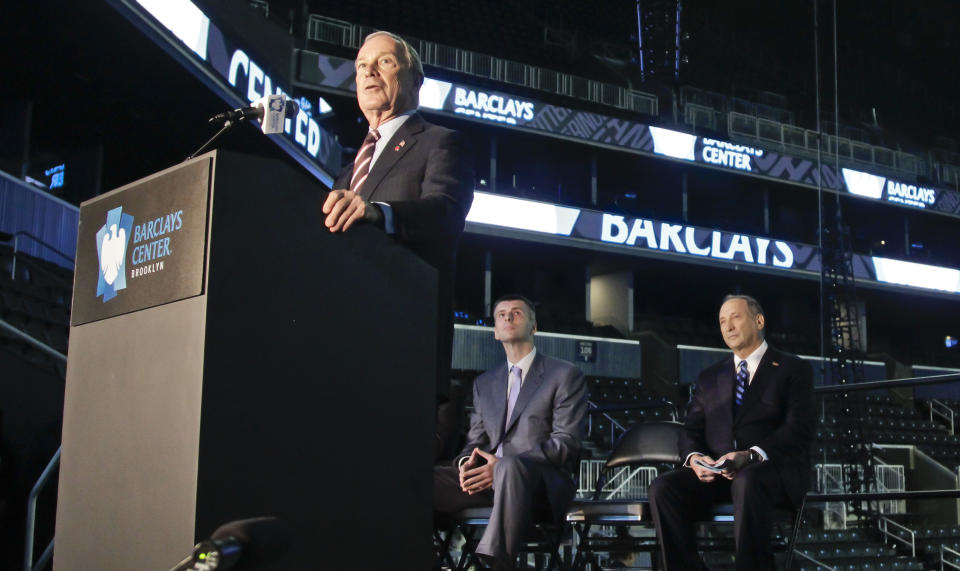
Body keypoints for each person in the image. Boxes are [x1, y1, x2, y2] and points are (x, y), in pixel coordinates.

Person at [322, 31, 474, 399]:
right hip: (338, 341)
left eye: (385, 62)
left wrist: (379, 213)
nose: (369, 72)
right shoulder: (346, 173)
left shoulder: (441, 141)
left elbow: (447, 213)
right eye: (361, 66)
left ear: (414, 79)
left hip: (402, 341)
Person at [648, 294, 815, 571]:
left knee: (747, 480)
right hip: (718, 474)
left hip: (772, 471)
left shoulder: (793, 368)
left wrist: (750, 455)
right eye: (722, 321)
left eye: (735, 317)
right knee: (663, 487)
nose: (728, 326)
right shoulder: (709, 377)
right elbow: (691, 429)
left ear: (759, 320)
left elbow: (799, 429)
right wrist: (695, 458)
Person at [434, 295, 587, 570]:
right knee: (427, 478)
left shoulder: (565, 374)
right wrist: (466, 464)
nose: (507, 317)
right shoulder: (484, 383)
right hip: (489, 480)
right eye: (501, 314)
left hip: (539, 484)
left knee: (511, 467)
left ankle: (495, 563)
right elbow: (475, 442)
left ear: (534, 327)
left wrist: (502, 466)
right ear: (495, 331)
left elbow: (566, 443)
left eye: (516, 313)